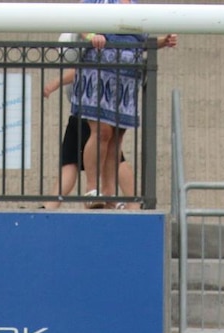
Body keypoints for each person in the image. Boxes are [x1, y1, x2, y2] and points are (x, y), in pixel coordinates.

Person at [68, 0, 156, 207]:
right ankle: (91, 191)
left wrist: (163, 41)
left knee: (116, 138)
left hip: (125, 81)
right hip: (100, 74)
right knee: (102, 131)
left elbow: (142, 40)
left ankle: (108, 194)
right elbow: (78, 18)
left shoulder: (134, 5)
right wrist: (91, 36)